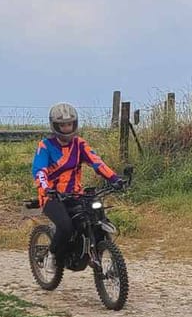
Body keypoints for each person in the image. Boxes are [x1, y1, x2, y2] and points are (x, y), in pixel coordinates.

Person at [32, 102, 124, 273]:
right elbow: (39, 171)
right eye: (62, 125)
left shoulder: (80, 144)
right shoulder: (45, 146)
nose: (67, 128)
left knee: (96, 218)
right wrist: (46, 189)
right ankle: (52, 256)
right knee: (66, 227)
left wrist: (114, 178)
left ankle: (97, 253)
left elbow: (97, 162)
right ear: (55, 125)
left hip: (75, 194)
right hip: (52, 197)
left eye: (69, 124)